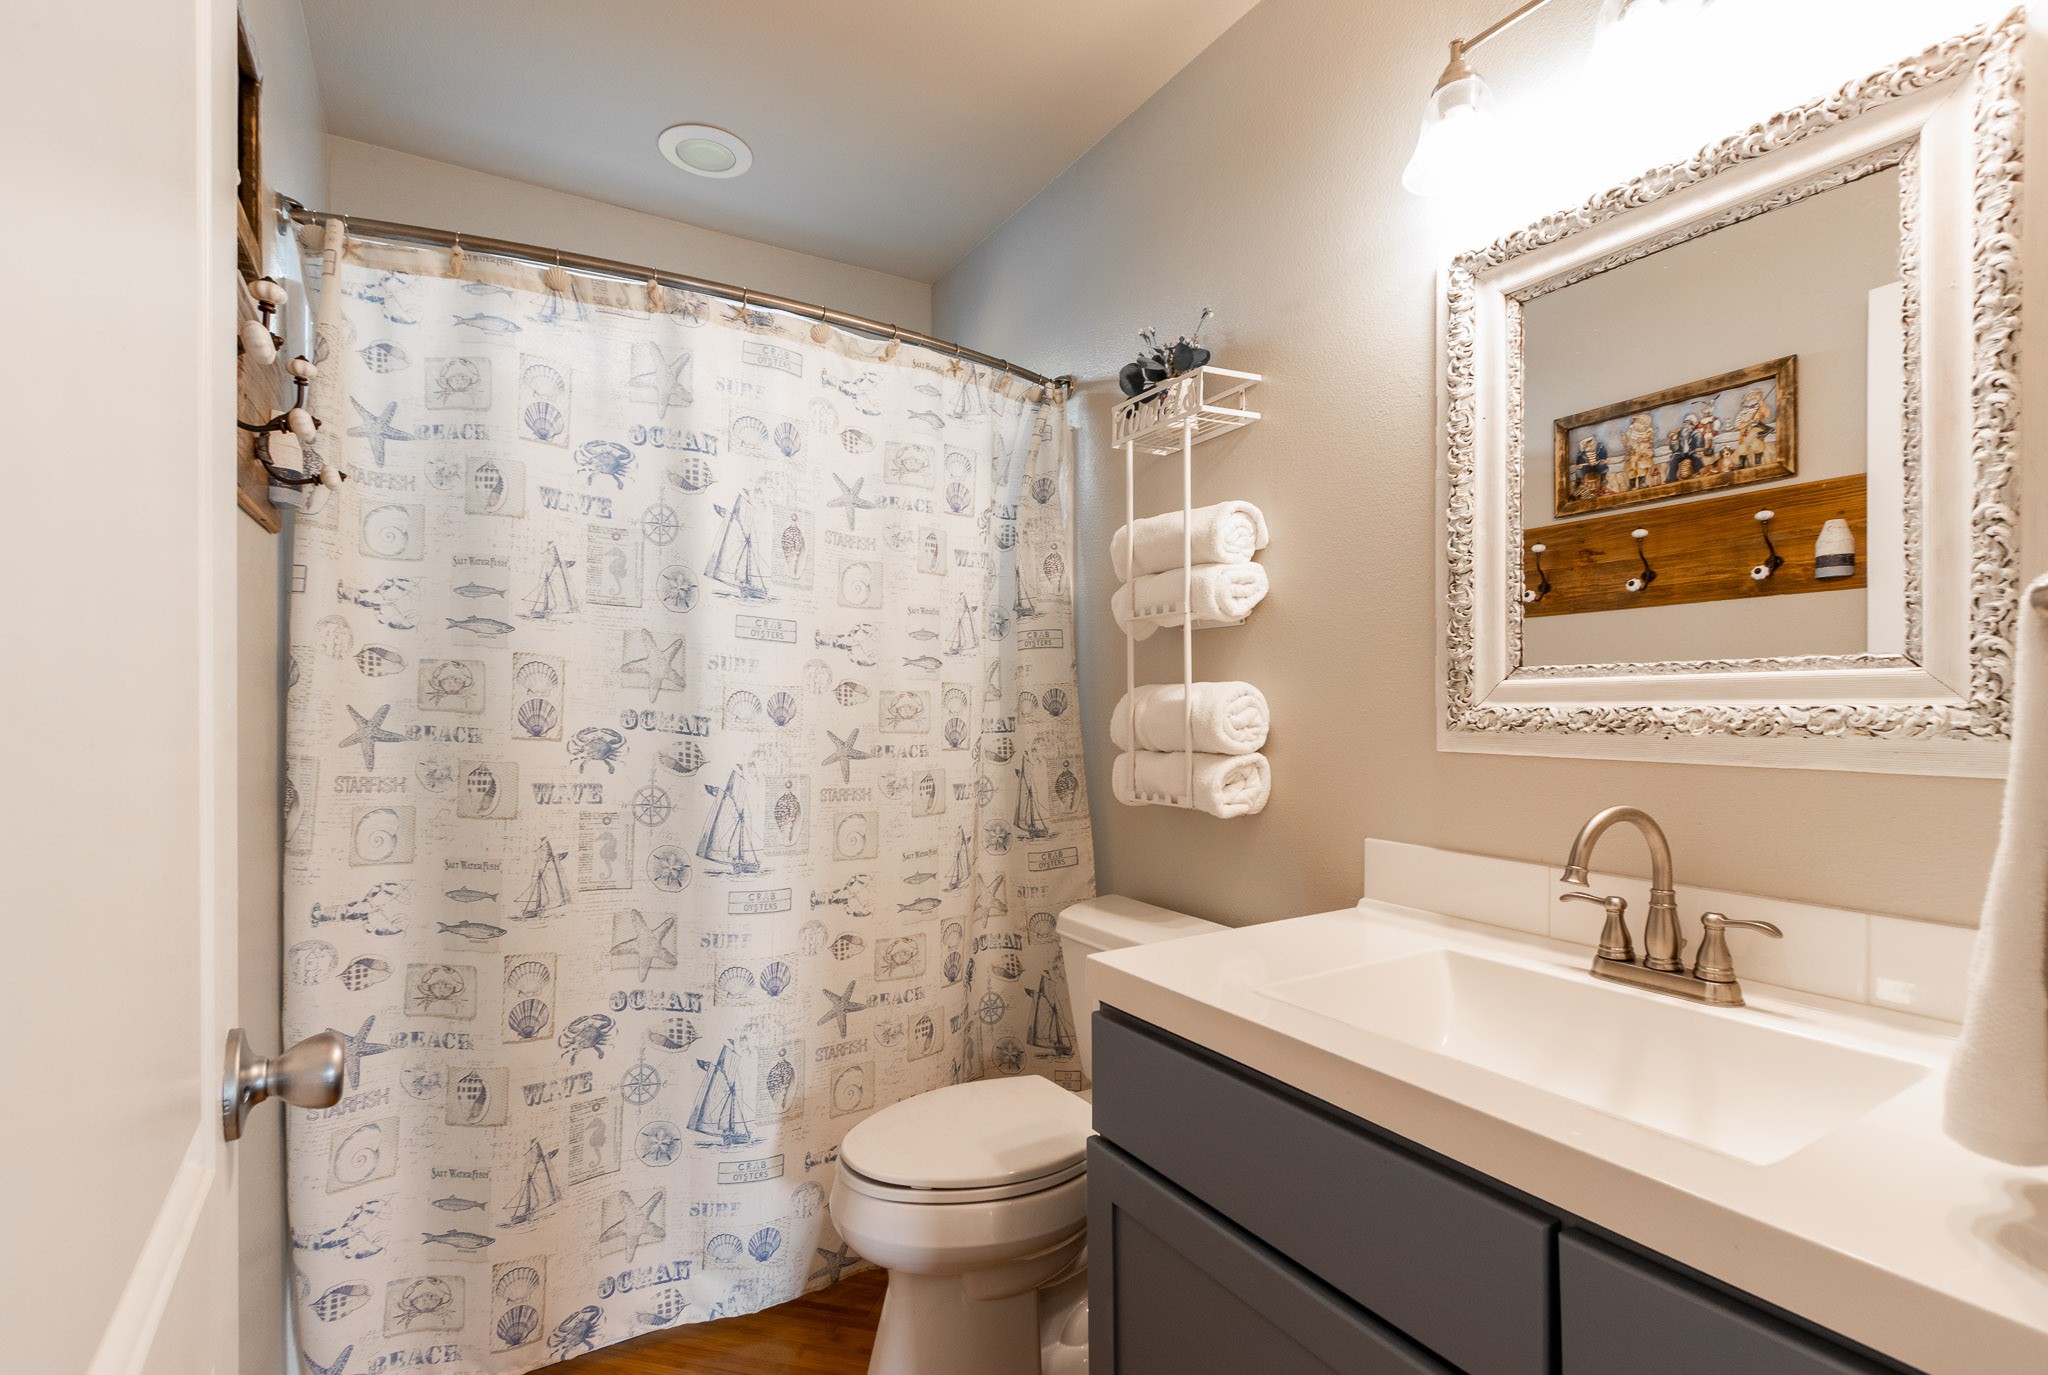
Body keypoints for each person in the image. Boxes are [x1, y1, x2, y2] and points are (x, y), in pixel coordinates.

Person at [1734, 388, 1776, 469]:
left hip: (1756, 430)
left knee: (1757, 445)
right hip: (1744, 433)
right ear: (1745, 401)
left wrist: (1763, 406)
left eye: (1754, 396)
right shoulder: (1742, 413)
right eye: (1749, 396)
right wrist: (1747, 423)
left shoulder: (1759, 408)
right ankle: (1741, 464)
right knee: (1742, 448)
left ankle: (1758, 462)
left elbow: (1767, 414)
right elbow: (1738, 425)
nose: (1752, 398)